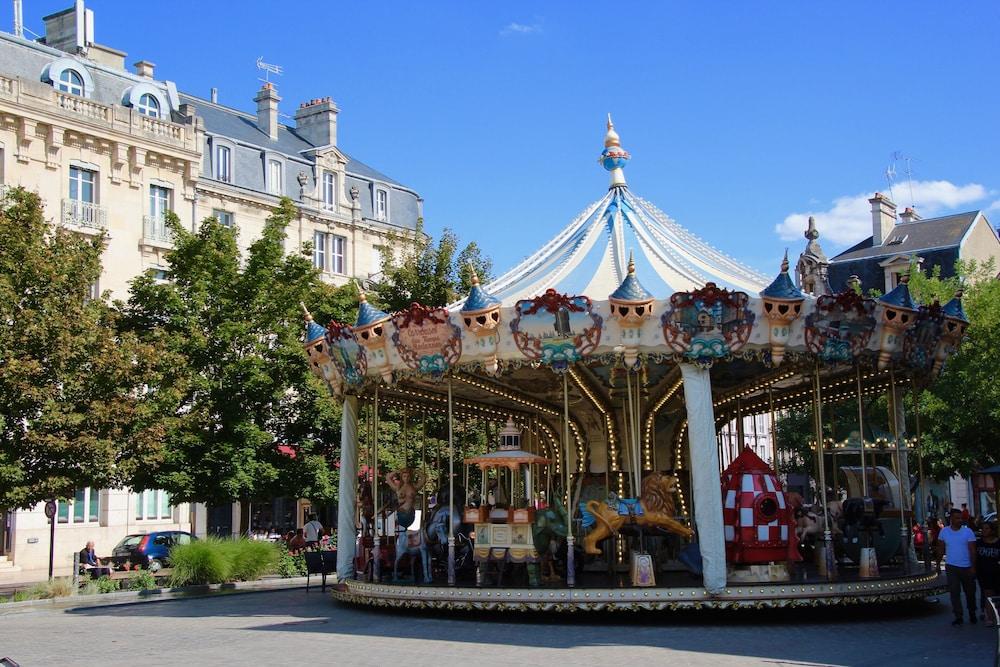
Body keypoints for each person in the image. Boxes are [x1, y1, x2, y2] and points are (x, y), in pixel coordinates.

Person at [939, 508, 978, 625]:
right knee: (954, 593)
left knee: (970, 592)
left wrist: (973, 566)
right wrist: (937, 564)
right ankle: (958, 615)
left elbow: (972, 550)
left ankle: (972, 612)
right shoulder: (944, 532)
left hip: (966, 566)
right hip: (951, 566)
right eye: (957, 518)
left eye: (961, 518)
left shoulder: (968, 532)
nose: (960, 520)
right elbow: (940, 548)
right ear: (951, 519)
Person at [976, 522, 1000, 627]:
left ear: (992, 530)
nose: (984, 530)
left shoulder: (998, 543)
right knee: (988, 595)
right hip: (984, 573)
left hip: (997, 573)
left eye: (987, 528)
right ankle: (989, 617)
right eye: (983, 528)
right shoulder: (979, 543)